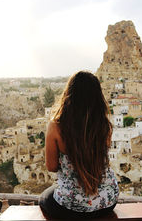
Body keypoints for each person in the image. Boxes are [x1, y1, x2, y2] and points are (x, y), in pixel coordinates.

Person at [39, 71, 119, 219]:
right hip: (107, 200)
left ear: (69, 94)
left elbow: (51, 167)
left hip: (72, 205)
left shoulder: (56, 126)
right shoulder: (104, 125)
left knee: (44, 198)